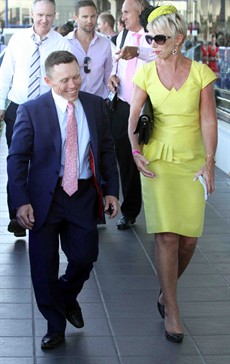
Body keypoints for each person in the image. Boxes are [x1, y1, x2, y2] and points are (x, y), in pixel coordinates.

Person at [7, 50, 119, 349]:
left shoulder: (95, 106)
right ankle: (55, 326)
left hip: (82, 193)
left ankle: (66, 296)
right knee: (43, 266)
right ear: (47, 80)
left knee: (85, 258)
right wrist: (20, 202)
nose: (73, 85)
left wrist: (111, 190)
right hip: (44, 197)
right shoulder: (32, 110)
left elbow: (106, 149)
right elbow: (17, 158)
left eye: (76, 77)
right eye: (64, 80)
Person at [128, 5, 217, 342]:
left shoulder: (201, 74)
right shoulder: (146, 72)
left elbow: (209, 119)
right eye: (150, 37)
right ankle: (173, 310)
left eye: (159, 37)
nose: (153, 43)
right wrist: (135, 150)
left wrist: (209, 160)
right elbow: (134, 115)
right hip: (157, 162)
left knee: (189, 239)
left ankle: (167, 291)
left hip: (192, 161)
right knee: (166, 235)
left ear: (178, 39)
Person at [0, 0, 72, 238]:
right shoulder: (18, 40)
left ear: (54, 16)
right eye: (40, 14)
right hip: (18, 108)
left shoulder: (61, 43)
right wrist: (1, 106)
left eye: (49, 15)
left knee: (44, 162)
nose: (44, 20)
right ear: (32, 14)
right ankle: (17, 216)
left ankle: (43, 210)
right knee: (17, 160)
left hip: (47, 110)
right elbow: (6, 73)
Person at [108, 0, 155, 230]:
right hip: (124, 104)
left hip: (150, 106)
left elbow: (159, 54)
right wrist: (112, 76)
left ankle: (160, 206)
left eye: (126, 12)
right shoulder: (122, 35)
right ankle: (130, 210)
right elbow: (117, 64)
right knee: (125, 159)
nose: (122, 16)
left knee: (152, 156)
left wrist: (139, 51)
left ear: (140, 12)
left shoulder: (155, 32)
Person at [66, 0, 112, 99]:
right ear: (76, 18)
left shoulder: (105, 43)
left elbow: (108, 74)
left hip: (100, 101)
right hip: (74, 101)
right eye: (85, 17)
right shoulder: (65, 43)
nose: (89, 21)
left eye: (93, 16)